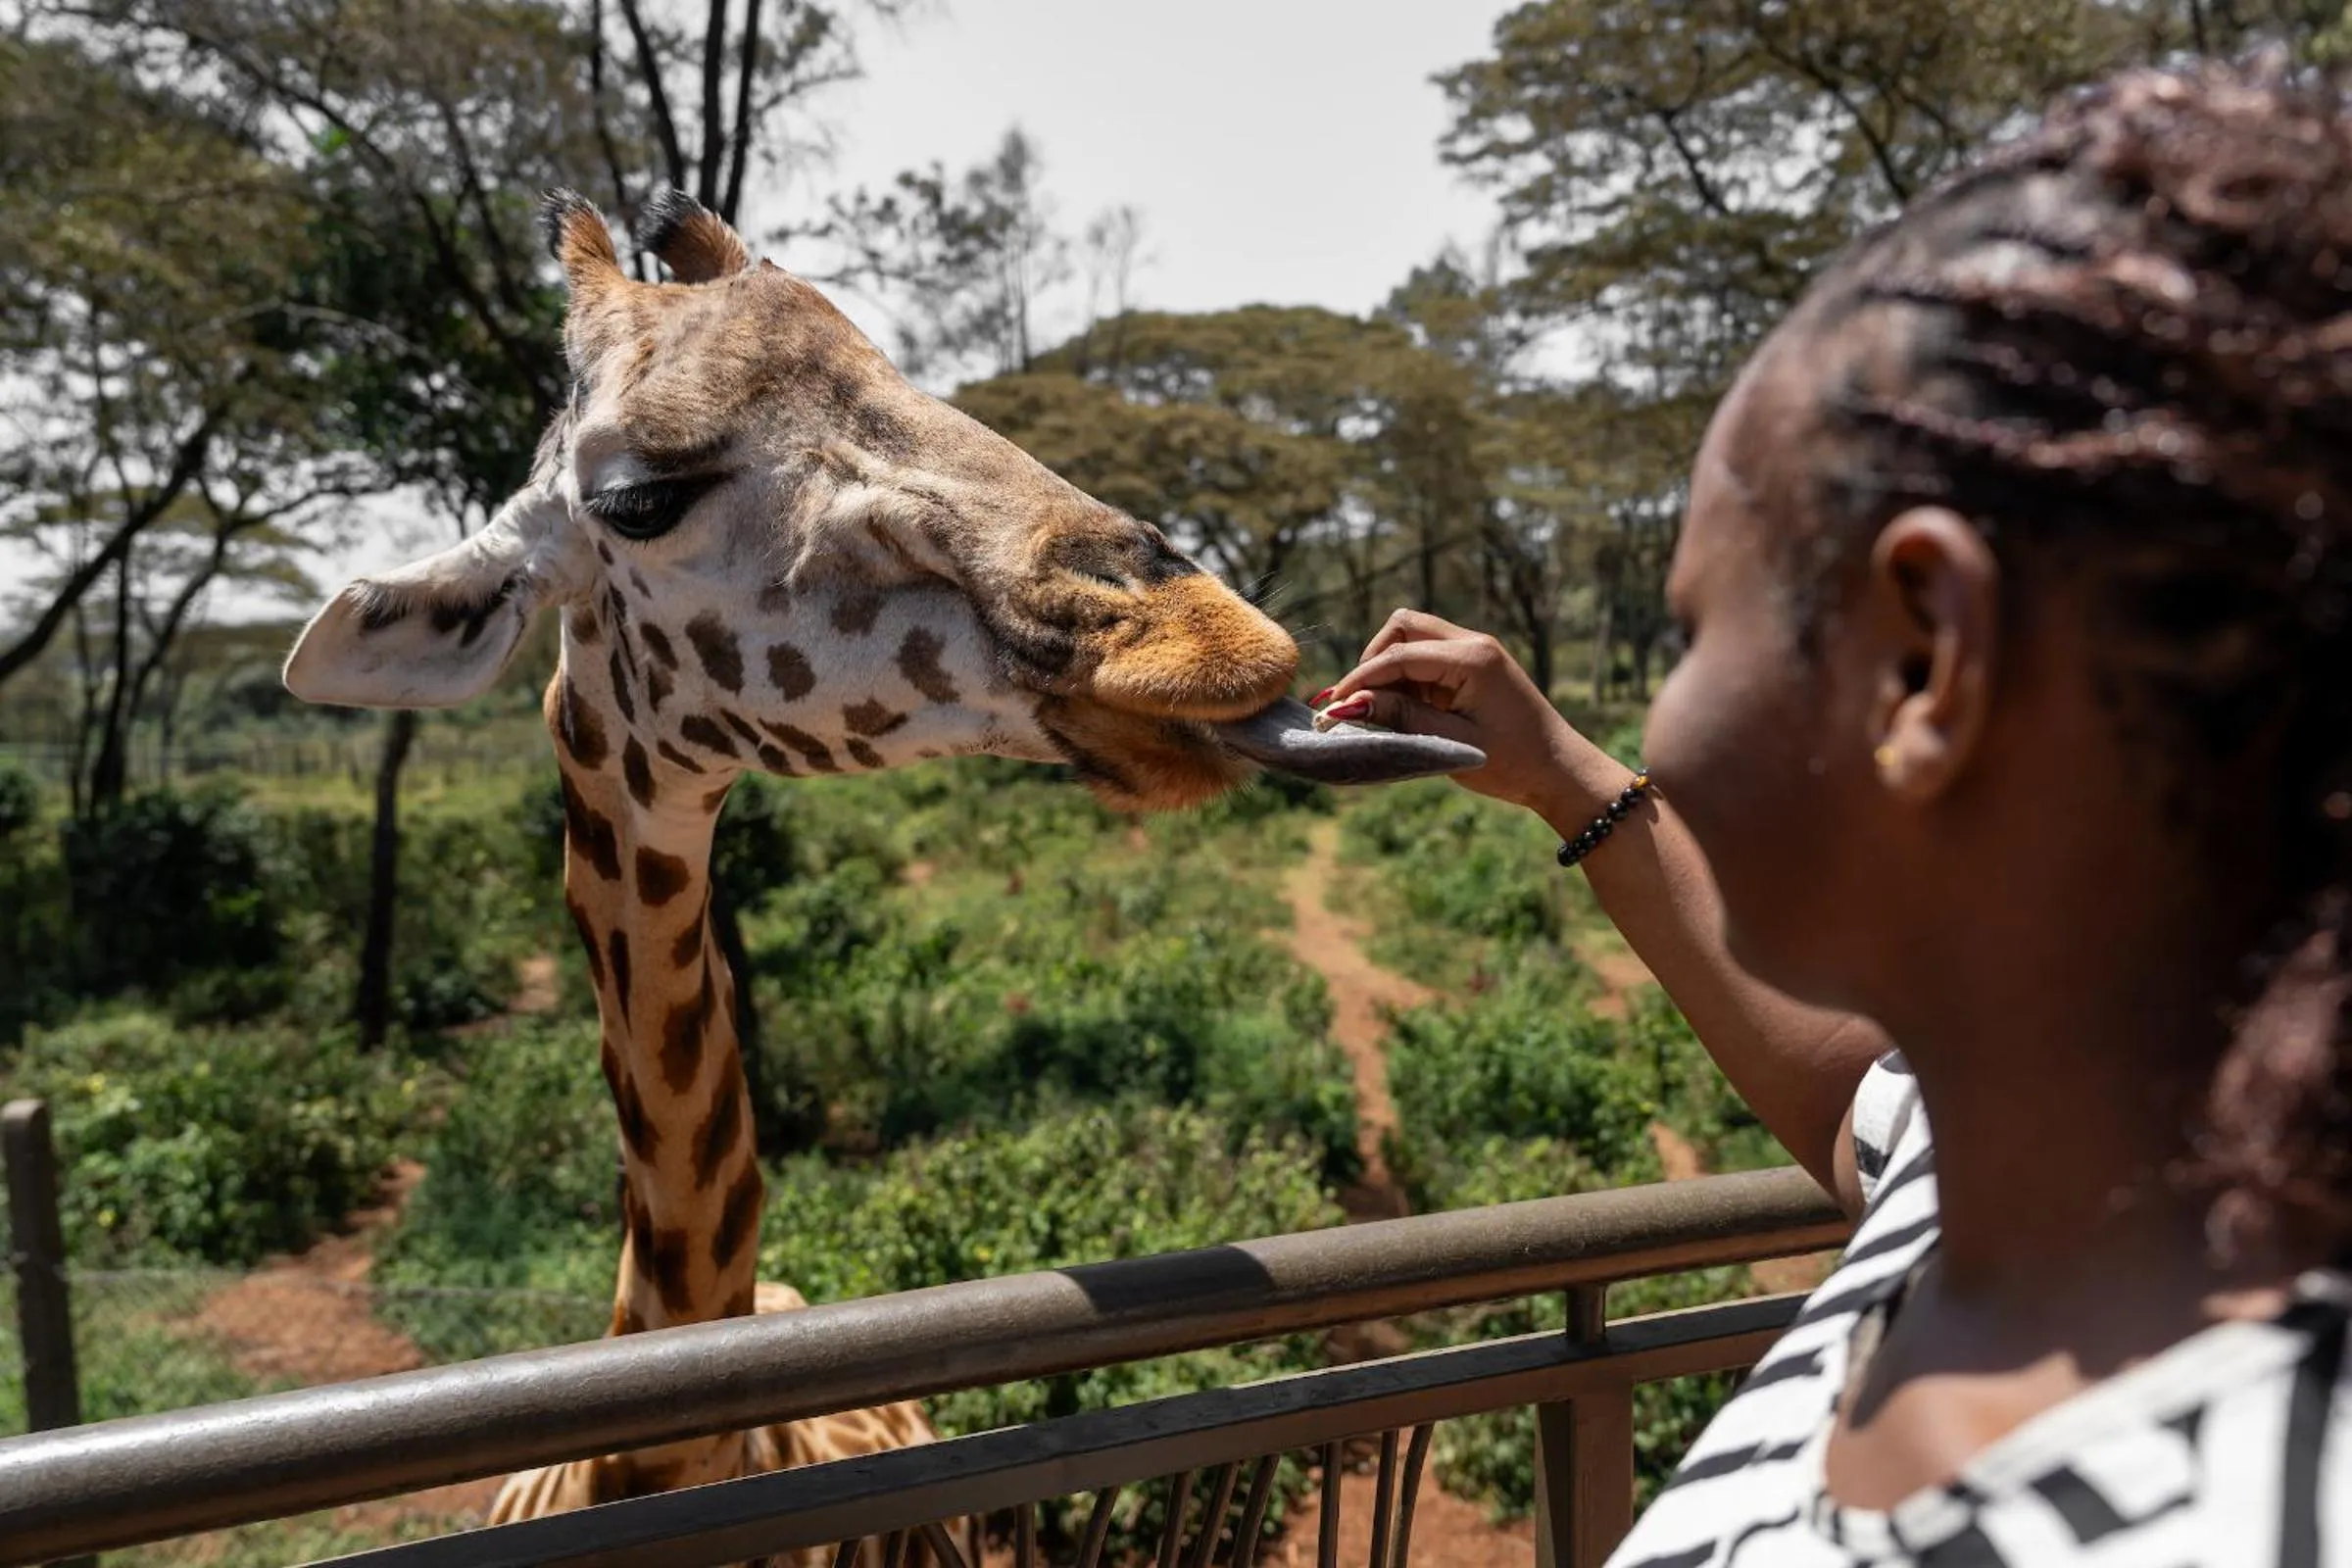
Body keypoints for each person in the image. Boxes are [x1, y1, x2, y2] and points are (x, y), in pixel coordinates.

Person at [1318, 52, 2352, 1566]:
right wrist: (1569, 779)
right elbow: (1843, 1104)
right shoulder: (2056, 1167)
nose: (1662, 712)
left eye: (1692, 631)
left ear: (1924, 659)